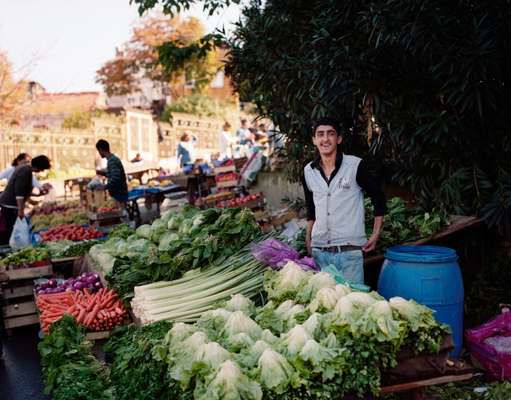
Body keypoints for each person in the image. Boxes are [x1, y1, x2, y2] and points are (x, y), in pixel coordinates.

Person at [302, 117, 386, 284]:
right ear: (314, 140)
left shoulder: (355, 166)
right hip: (320, 252)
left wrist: (375, 234)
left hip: (349, 253)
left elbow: (379, 197)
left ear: (338, 139)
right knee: (324, 306)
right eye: (320, 134)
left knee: (353, 305)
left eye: (330, 134)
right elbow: (311, 207)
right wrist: (308, 237)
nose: (325, 139)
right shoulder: (308, 171)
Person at [0, 155, 51, 245]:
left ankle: (12, 246)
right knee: (10, 229)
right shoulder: (25, 170)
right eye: (42, 169)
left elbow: (24, 191)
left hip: (10, 203)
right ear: (39, 166)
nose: (41, 171)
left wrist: (38, 194)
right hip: (10, 204)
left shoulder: (27, 170)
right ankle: (8, 249)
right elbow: (19, 191)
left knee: (13, 228)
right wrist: (21, 210)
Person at [95, 139, 128, 207]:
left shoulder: (112, 161)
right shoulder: (111, 159)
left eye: (98, 151)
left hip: (119, 195)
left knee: (120, 214)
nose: (99, 153)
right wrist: (102, 173)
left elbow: (116, 178)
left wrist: (104, 187)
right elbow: (113, 175)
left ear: (101, 150)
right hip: (118, 194)